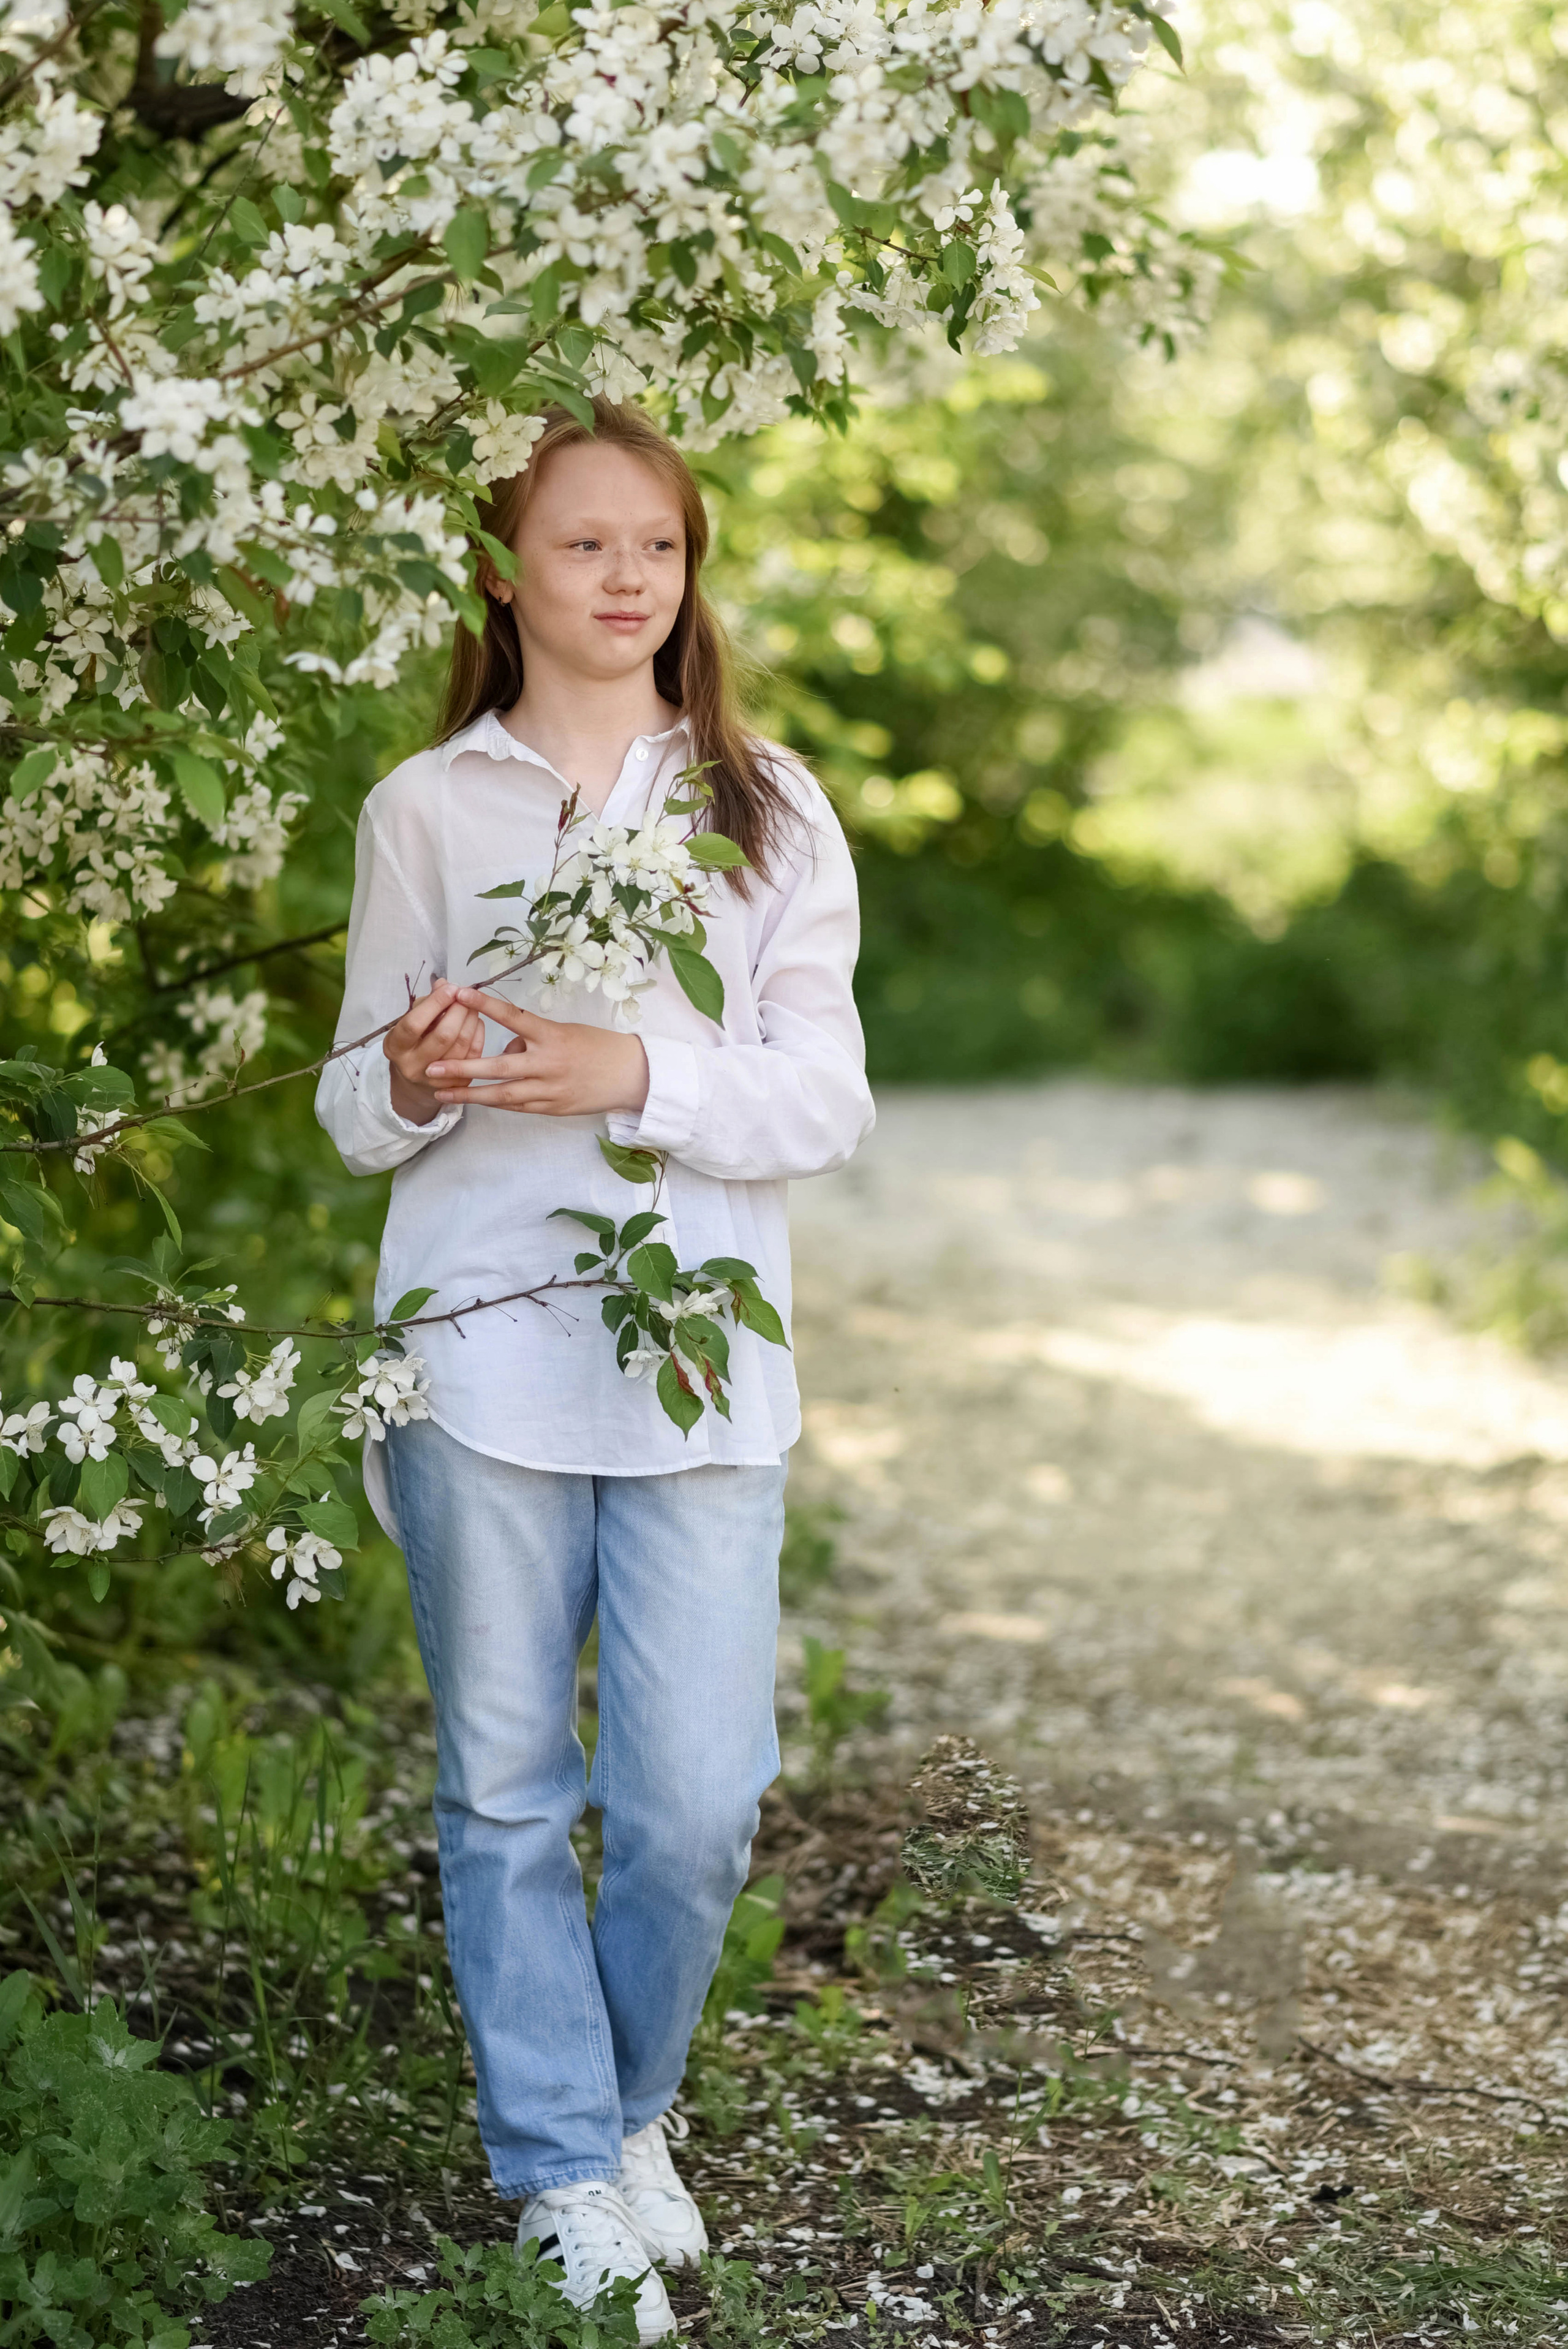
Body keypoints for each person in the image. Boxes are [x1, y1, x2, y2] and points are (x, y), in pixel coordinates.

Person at [315, 399, 874, 2342]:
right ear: (505, 573)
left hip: (695, 1359)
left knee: (699, 1801)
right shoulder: (426, 808)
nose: (630, 576)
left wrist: (630, 1071)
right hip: (477, 1351)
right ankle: (563, 2162)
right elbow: (351, 1105)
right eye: (585, 542)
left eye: (660, 544)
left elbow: (825, 1099)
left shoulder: (766, 807)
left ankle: (630, 2107)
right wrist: (407, 1077)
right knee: (500, 1785)